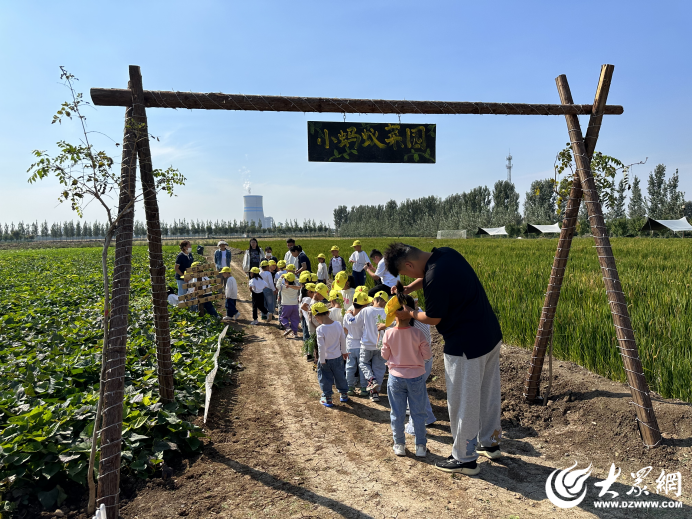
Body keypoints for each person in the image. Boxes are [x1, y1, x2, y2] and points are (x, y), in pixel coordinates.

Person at [384, 242, 503, 476]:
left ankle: (464, 458)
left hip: (465, 346)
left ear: (409, 264)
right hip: (489, 336)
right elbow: (429, 279)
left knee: (463, 402)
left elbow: (433, 317)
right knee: (488, 394)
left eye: (407, 273)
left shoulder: (434, 276)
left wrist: (409, 313)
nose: (411, 277)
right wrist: (408, 288)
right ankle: (490, 442)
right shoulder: (446, 254)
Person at [381, 293, 432, 458]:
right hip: (416, 377)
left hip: (395, 377)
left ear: (395, 314)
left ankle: (399, 444)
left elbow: (384, 355)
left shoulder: (388, 333)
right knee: (418, 412)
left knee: (397, 413)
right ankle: (421, 446)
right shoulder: (418, 333)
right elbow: (427, 355)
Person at [351, 290, 387, 402]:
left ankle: (371, 380)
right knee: (379, 368)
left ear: (374, 300)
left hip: (366, 344)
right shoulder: (387, 312)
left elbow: (354, 322)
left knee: (363, 363)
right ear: (385, 302)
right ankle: (375, 393)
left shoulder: (366, 310)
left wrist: (349, 314)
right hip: (381, 345)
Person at [312, 302, 349, 407]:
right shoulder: (337, 324)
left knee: (325, 378)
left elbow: (321, 346)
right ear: (328, 313)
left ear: (317, 316)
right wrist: (344, 352)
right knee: (340, 376)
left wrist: (322, 360)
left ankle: (328, 398)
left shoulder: (320, 329)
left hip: (326, 359)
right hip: (338, 357)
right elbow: (343, 338)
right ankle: (343, 394)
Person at [343, 298, 366, 396]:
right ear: (364, 306)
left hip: (350, 344)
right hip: (362, 345)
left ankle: (350, 387)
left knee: (350, 366)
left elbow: (345, 329)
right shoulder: (364, 317)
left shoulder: (347, 316)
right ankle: (364, 388)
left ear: (353, 303)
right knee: (363, 367)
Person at [277, 272, 301, 337]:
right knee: (295, 319)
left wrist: (280, 277)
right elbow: (298, 281)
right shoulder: (296, 287)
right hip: (295, 305)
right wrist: (294, 277)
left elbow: (277, 285)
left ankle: (287, 327)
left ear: (286, 281)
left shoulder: (284, 287)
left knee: (283, 317)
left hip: (286, 305)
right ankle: (295, 333)